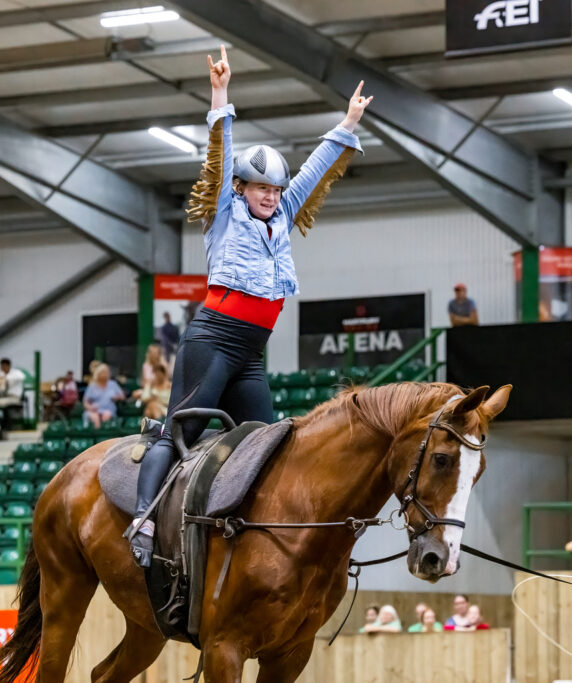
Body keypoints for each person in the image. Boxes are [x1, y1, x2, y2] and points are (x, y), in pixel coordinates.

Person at [129, 45, 371, 567]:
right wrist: (221, 97)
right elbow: (217, 157)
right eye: (259, 186)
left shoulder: (282, 214)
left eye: (274, 188)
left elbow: (312, 171)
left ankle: (248, 534)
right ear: (240, 187)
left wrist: (347, 123)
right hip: (213, 339)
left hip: (251, 354)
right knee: (185, 429)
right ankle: (144, 520)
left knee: (268, 443)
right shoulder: (223, 212)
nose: (269, 194)